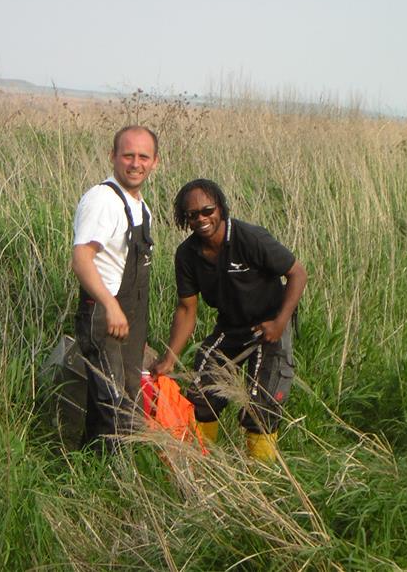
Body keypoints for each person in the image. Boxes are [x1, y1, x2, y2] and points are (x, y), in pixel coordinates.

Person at [152, 179, 307, 462]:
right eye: (192, 215)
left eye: (207, 210)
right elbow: (187, 309)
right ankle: (197, 466)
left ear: (221, 208)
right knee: (201, 395)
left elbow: (297, 273)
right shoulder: (187, 255)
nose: (201, 219)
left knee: (262, 407)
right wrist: (170, 357)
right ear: (184, 220)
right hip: (231, 327)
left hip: (270, 325)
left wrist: (280, 322)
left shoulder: (250, 238)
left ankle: (260, 481)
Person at [72, 125, 159, 453]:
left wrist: (134, 323)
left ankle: (92, 464)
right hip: (104, 313)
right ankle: (112, 480)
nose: (135, 163)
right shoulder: (102, 200)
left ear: (155, 162)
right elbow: (81, 259)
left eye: (143, 156)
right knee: (114, 401)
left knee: (128, 393)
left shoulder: (140, 206)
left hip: (129, 316)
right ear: (113, 156)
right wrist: (110, 306)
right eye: (128, 155)